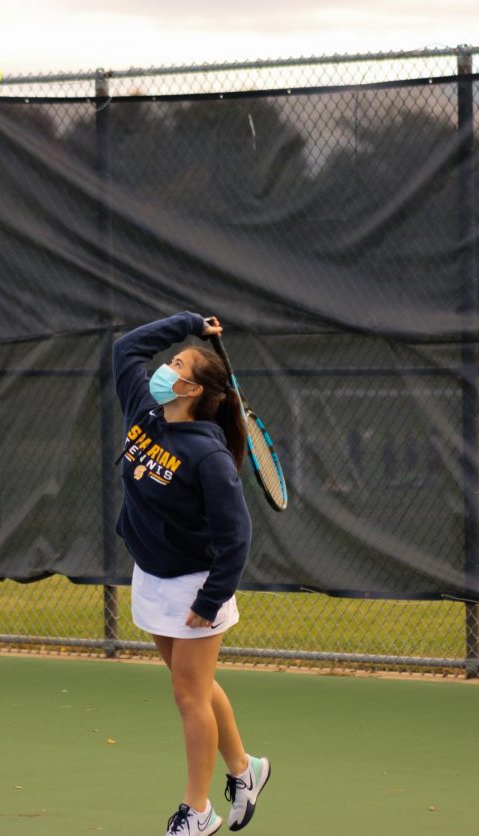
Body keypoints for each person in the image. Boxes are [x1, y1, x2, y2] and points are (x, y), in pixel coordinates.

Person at [113, 311, 271, 835]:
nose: (163, 366)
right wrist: (186, 325)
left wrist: (209, 601)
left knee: (188, 696)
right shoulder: (146, 412)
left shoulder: (208, 456)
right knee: (195, 688)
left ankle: (197, 811)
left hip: (195, 586)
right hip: (152, 574)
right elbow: (126, 350)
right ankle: (247, 770)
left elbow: (237, 538)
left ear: (193, 388)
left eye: (175, 363)